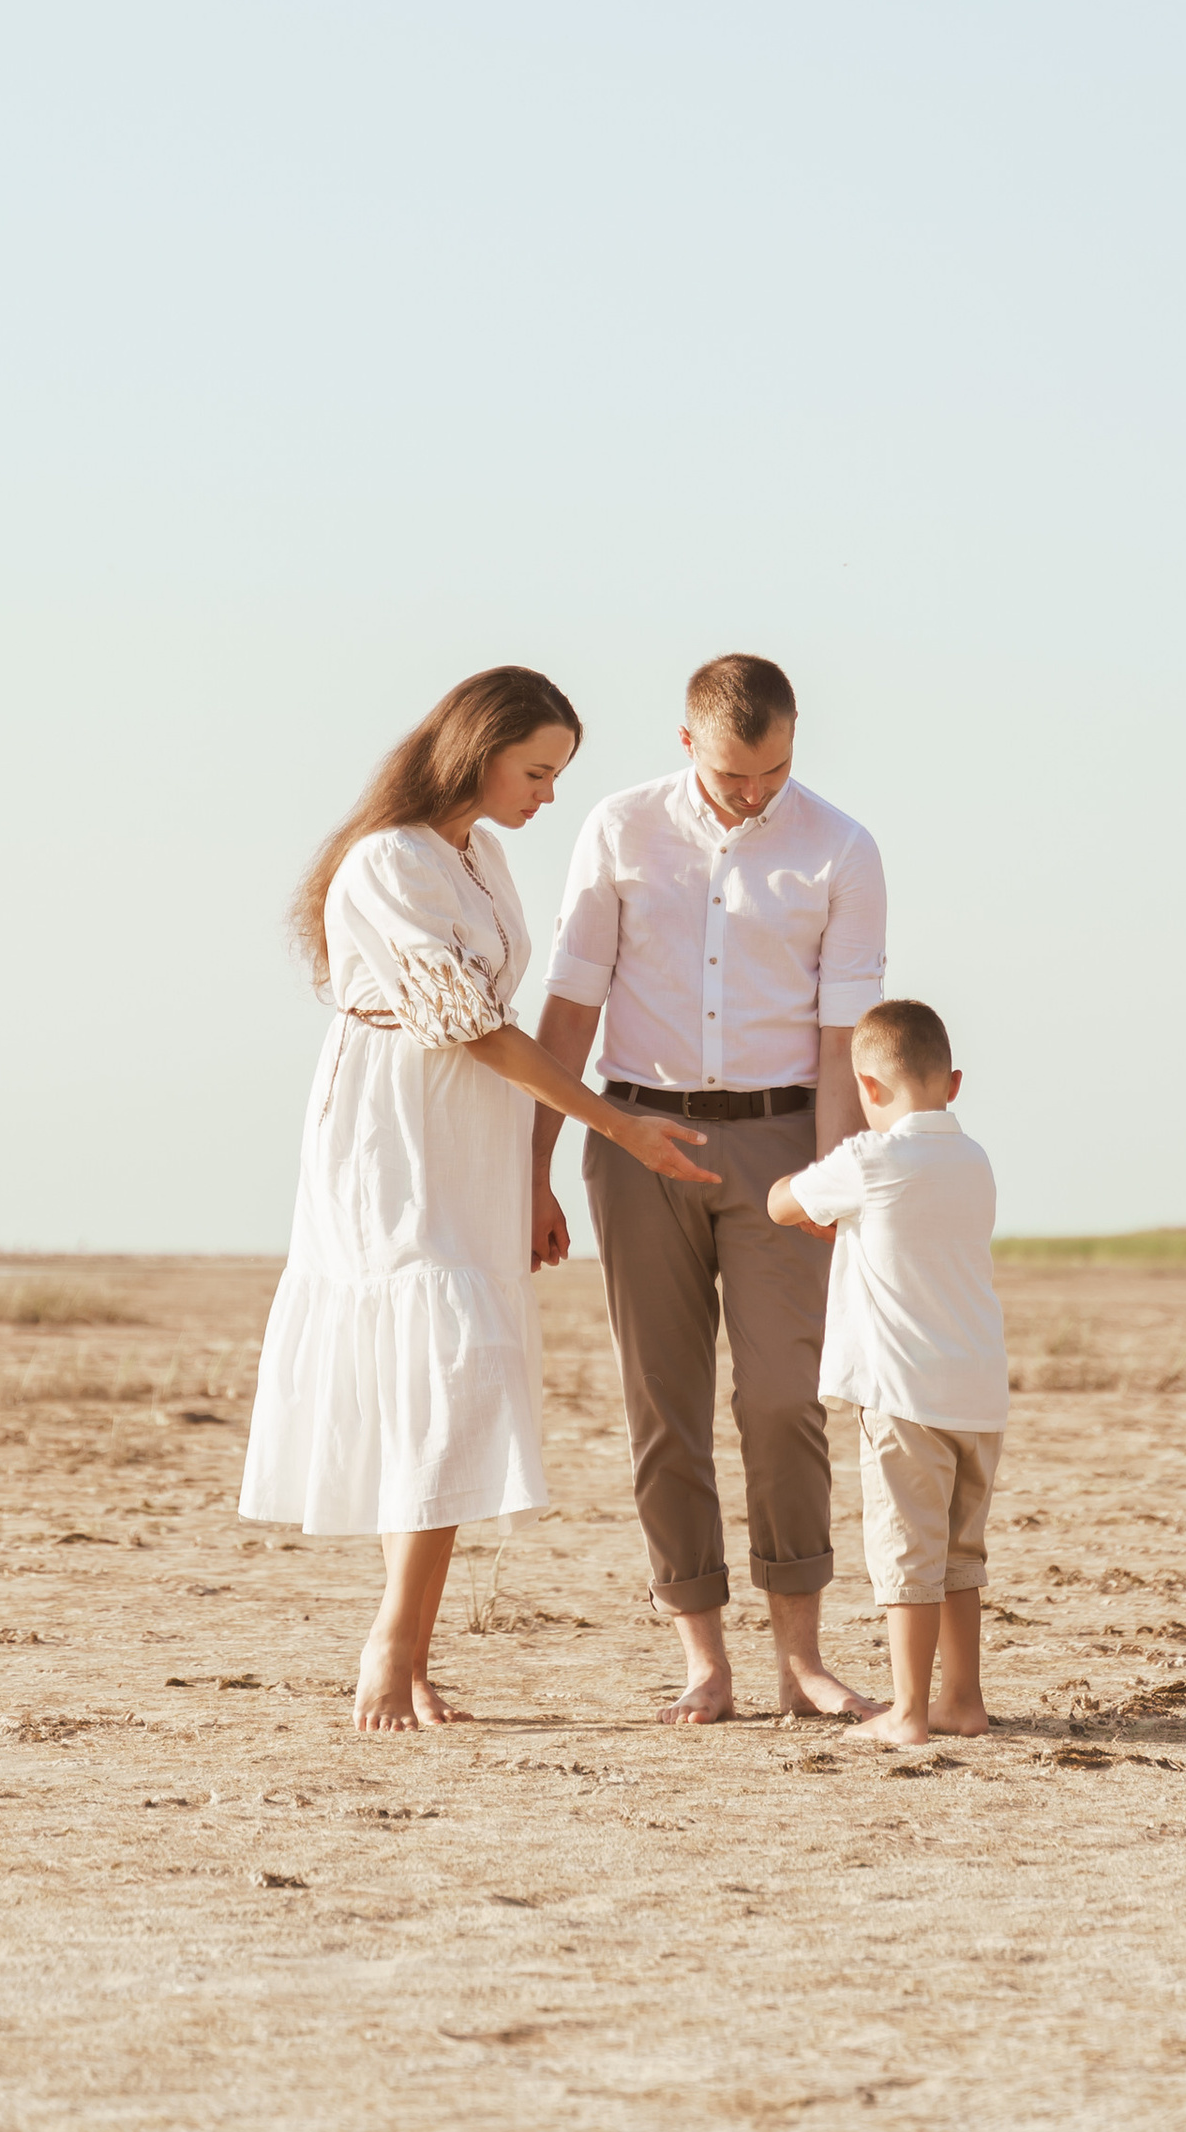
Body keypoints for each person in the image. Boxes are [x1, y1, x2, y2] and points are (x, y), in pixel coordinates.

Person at [238, 666, 719, 1733]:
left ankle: (408, 1653)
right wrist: (616, 1125)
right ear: (478, 748)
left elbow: (497, 1022)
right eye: (535, 770)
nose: (547, 796)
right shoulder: (385, 861)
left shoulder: (480, 855)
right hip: (395, 1129)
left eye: (558, 776)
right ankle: (390, 1647)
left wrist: (533, 1176)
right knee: (445, 1370)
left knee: (461, 1379)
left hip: (479, 1127)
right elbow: (466, 1019)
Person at [531, 652, 886, 1724]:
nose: (755, 794)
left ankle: (802, 1661)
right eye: (735, 776)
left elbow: (842, 1045)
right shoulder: (619, 828)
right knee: (663, 1409)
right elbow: (568, 1009)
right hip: (635, 1136)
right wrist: (530, 1166)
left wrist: (837, 1188)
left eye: (774, 772)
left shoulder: (842, 848)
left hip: (784, 1143)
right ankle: (703, 1661)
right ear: (688, 744)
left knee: (783, 1401)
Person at [769, 997, 1006, 1749]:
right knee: (961, 1553)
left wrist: (830, 1205)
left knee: (907, 1551)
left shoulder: (870, 1160)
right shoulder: (974, 1160)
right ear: (954, 1084)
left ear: (868, 1088)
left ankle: (907, 1710)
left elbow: (781, 1204)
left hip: (902, 1397)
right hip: (976, 1393)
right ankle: (961, 1700)